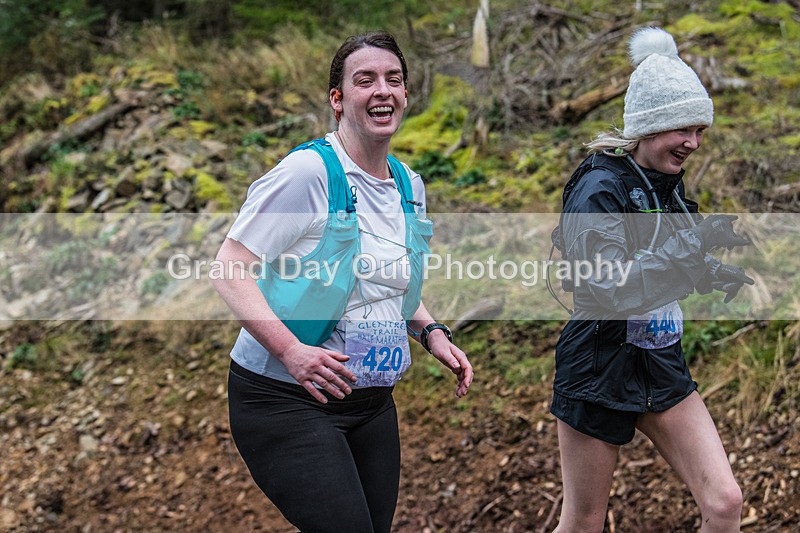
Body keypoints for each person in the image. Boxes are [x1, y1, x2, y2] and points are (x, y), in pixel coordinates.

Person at [212, 31, 473, 533]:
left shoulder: (408, 184)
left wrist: (432, 332)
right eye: (365, 80)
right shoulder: (307, 173)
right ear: (338, 99)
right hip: (284, 399)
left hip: (371, 404)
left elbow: (385, 283)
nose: (383, 91)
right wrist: (291, 351)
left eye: (393, 80)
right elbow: (229, 268)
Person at [550, 27, 754, 532]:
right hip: (598, 366)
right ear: (647, 125)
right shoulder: (598, 187)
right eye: (681, 128)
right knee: (583, 522)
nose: (693, 141)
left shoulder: (668, 186)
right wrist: (694, 247)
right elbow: (612, 285)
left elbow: (664, 260)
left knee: (725, 503)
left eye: (700, 129)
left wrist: (710, 270)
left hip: (660, 362)